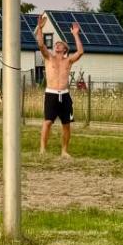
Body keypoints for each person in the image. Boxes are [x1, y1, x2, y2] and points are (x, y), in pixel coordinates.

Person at [35, 15, 84, 158]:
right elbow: (41, 45)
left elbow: (80, 52)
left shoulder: (68, 61)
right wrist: (40, 29)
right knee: (47, 122)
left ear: (65, 49)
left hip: (65, 95)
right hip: (51, 94)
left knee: (66, 124)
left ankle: (64, 151)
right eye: (55, 44)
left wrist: (75, 34)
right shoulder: (48, 57)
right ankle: (42, 149)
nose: (56, 45)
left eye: (60, 44)